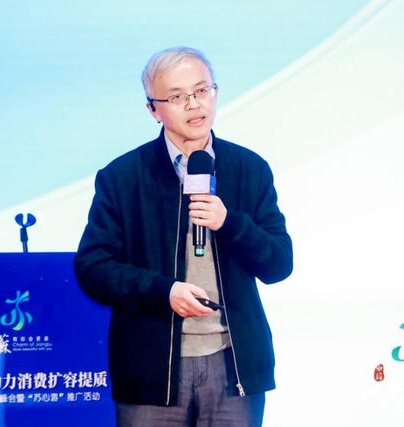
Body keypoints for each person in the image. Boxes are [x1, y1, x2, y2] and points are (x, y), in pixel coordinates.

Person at [74, 46, 293, 427]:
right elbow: (94, 267)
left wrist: (229, 222)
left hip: (234, 369)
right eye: (177, 97)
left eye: (202, 90)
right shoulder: (123, 177)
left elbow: (278, 263)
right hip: (151, 370)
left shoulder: (249, 168)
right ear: (153, 109)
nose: (194, 104)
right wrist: (164, 291)